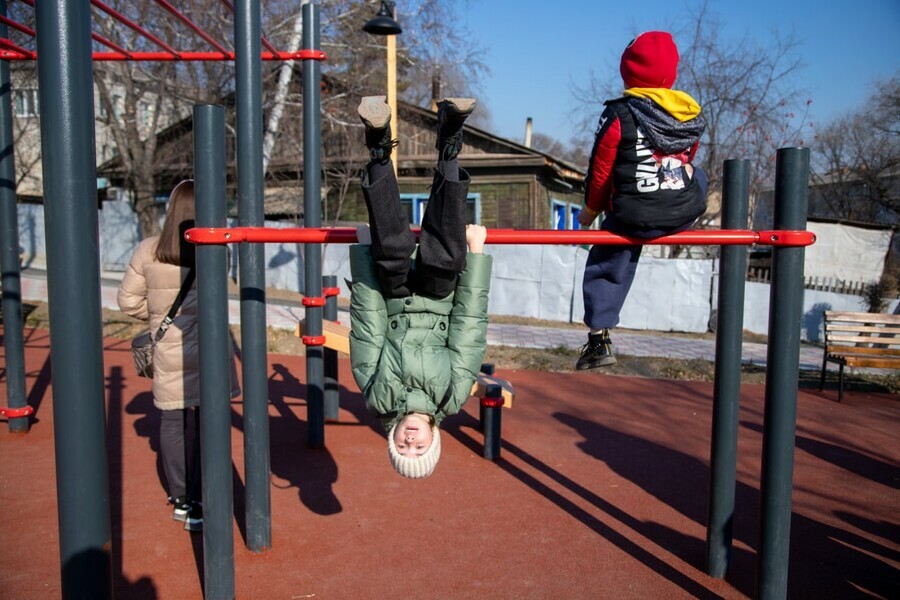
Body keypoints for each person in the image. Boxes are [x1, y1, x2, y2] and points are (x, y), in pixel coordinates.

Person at [348, 95, 492, 479]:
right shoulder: (453, 394)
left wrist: (364, 255)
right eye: (419, 447)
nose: (410, 440)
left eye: (402, 446)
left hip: (394, 298)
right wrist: (475, 256)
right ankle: (449, 145)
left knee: (390, 251)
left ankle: (379, 148)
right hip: (439, 297)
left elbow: (368, 324)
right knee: (447, 256)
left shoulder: (377, 397)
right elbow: (469, 325)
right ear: (434, 438)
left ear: (392, 438)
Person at [576, 31, 708, 370]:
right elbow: (686, 159)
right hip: (682, 212)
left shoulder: (619, 114)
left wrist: (591, 211)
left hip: (633, 216)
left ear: (627, 71)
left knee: (608, 256)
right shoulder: (688, 113)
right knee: (699, 174)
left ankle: (598, 338)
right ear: (672, 73)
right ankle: (670, 209)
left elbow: (601, 170)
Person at [117, 179, 241, 531]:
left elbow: (127, 301)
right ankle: (205, 497)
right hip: (208, 346)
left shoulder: (147, 250)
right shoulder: (216, 247)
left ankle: (181, 500)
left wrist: (157, 316)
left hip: (168, 346)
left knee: (172, 421)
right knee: (207, 420)